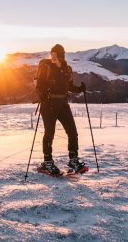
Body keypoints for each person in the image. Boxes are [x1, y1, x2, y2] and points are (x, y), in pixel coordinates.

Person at [34, 44, 88, 175]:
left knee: (73, 132)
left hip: (63, 105)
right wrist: (42, 93)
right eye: (51, 54)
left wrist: (79, 89)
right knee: (49, 133)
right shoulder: (46, 67)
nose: (52, 57)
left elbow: (69, 86)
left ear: (61, 56)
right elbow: (38, 85)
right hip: (48, 105)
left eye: (55, 55)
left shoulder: (66, 69)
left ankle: (73, 160)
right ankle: (47, 162)